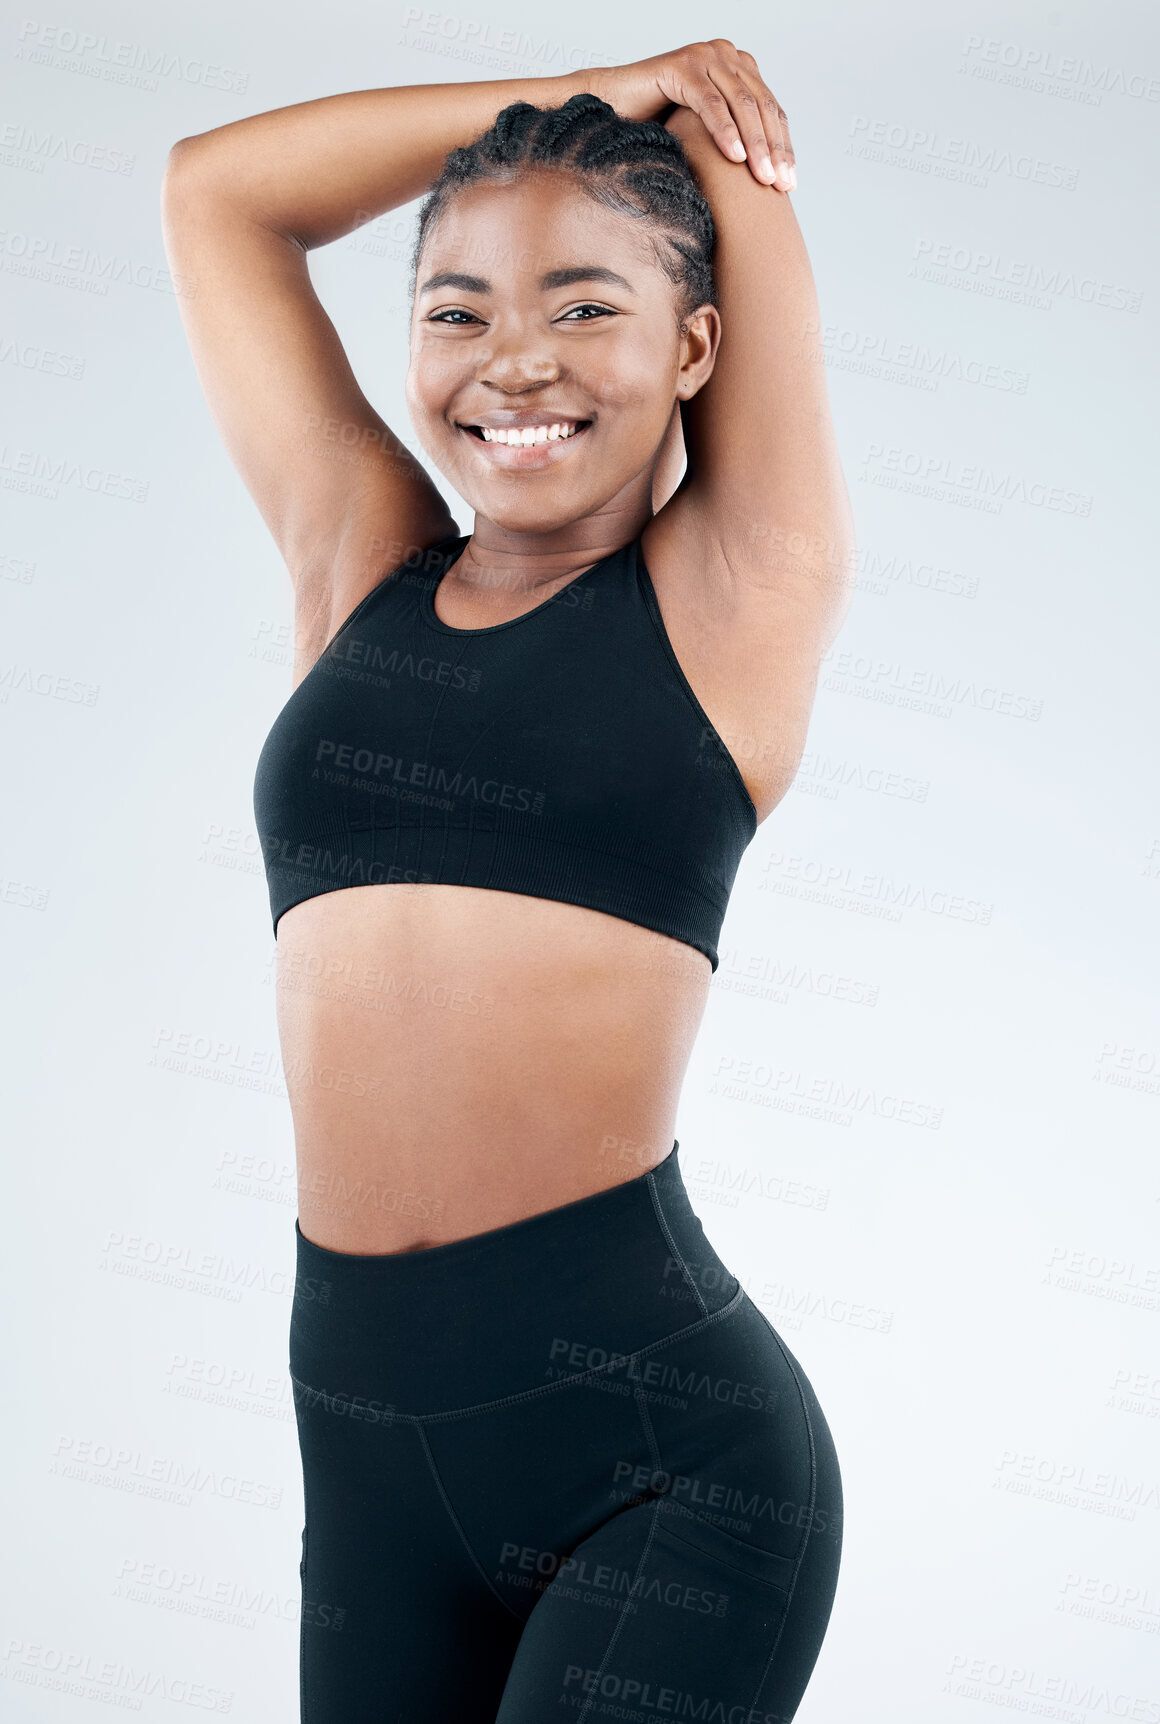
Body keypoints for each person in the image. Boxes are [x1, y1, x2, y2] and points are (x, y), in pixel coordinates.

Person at [162, 37, 855, 1723]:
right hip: (372, 1478)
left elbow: (728, 155)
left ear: (697, 347)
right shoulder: (360, 566)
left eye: (585, 306)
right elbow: (217, 194)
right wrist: (582, 90)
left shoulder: (731, 597)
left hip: (668, 1477)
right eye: (457, 311)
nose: (514, 362)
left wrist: (678, 113)